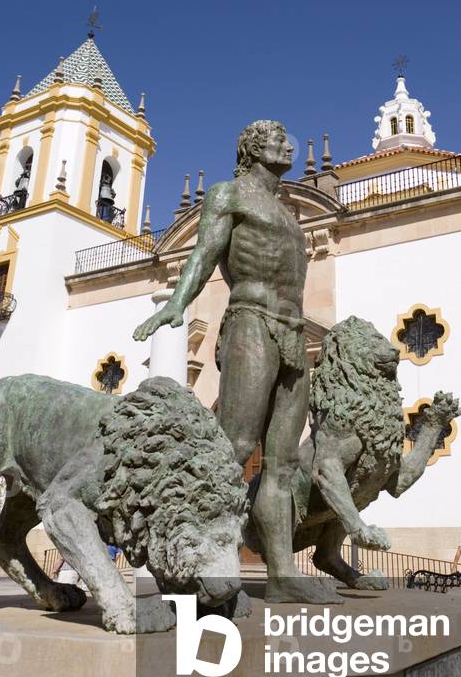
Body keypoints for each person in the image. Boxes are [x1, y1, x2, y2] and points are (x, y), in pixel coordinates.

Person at [134, 120, 338, 604]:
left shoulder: (288, 213)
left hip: (292, 329)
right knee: (235, 445)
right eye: (278, 138)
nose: (289, 144)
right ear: (253, 148)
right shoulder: (228, 195)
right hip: (251, 320)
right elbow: (204, 254)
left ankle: (282, 573)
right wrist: (177, 305)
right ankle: (199, 558)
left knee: (283, 464)